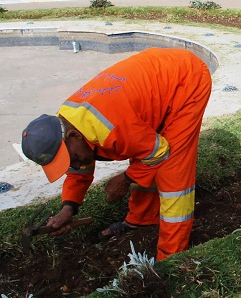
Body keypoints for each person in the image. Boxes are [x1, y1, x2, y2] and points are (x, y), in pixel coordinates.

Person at [21, 48, 212, 261]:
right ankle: (142, 218)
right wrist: (69, 208)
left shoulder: (112, 128)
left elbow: (159, 151)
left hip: (185, 79)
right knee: (141, 150)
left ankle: (171, 256)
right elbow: (78, 169)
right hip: (152, 82)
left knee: (173, 169)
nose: (75, 163)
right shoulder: (67, 124)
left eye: (71, 158)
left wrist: (125, 178)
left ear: (74, 135)